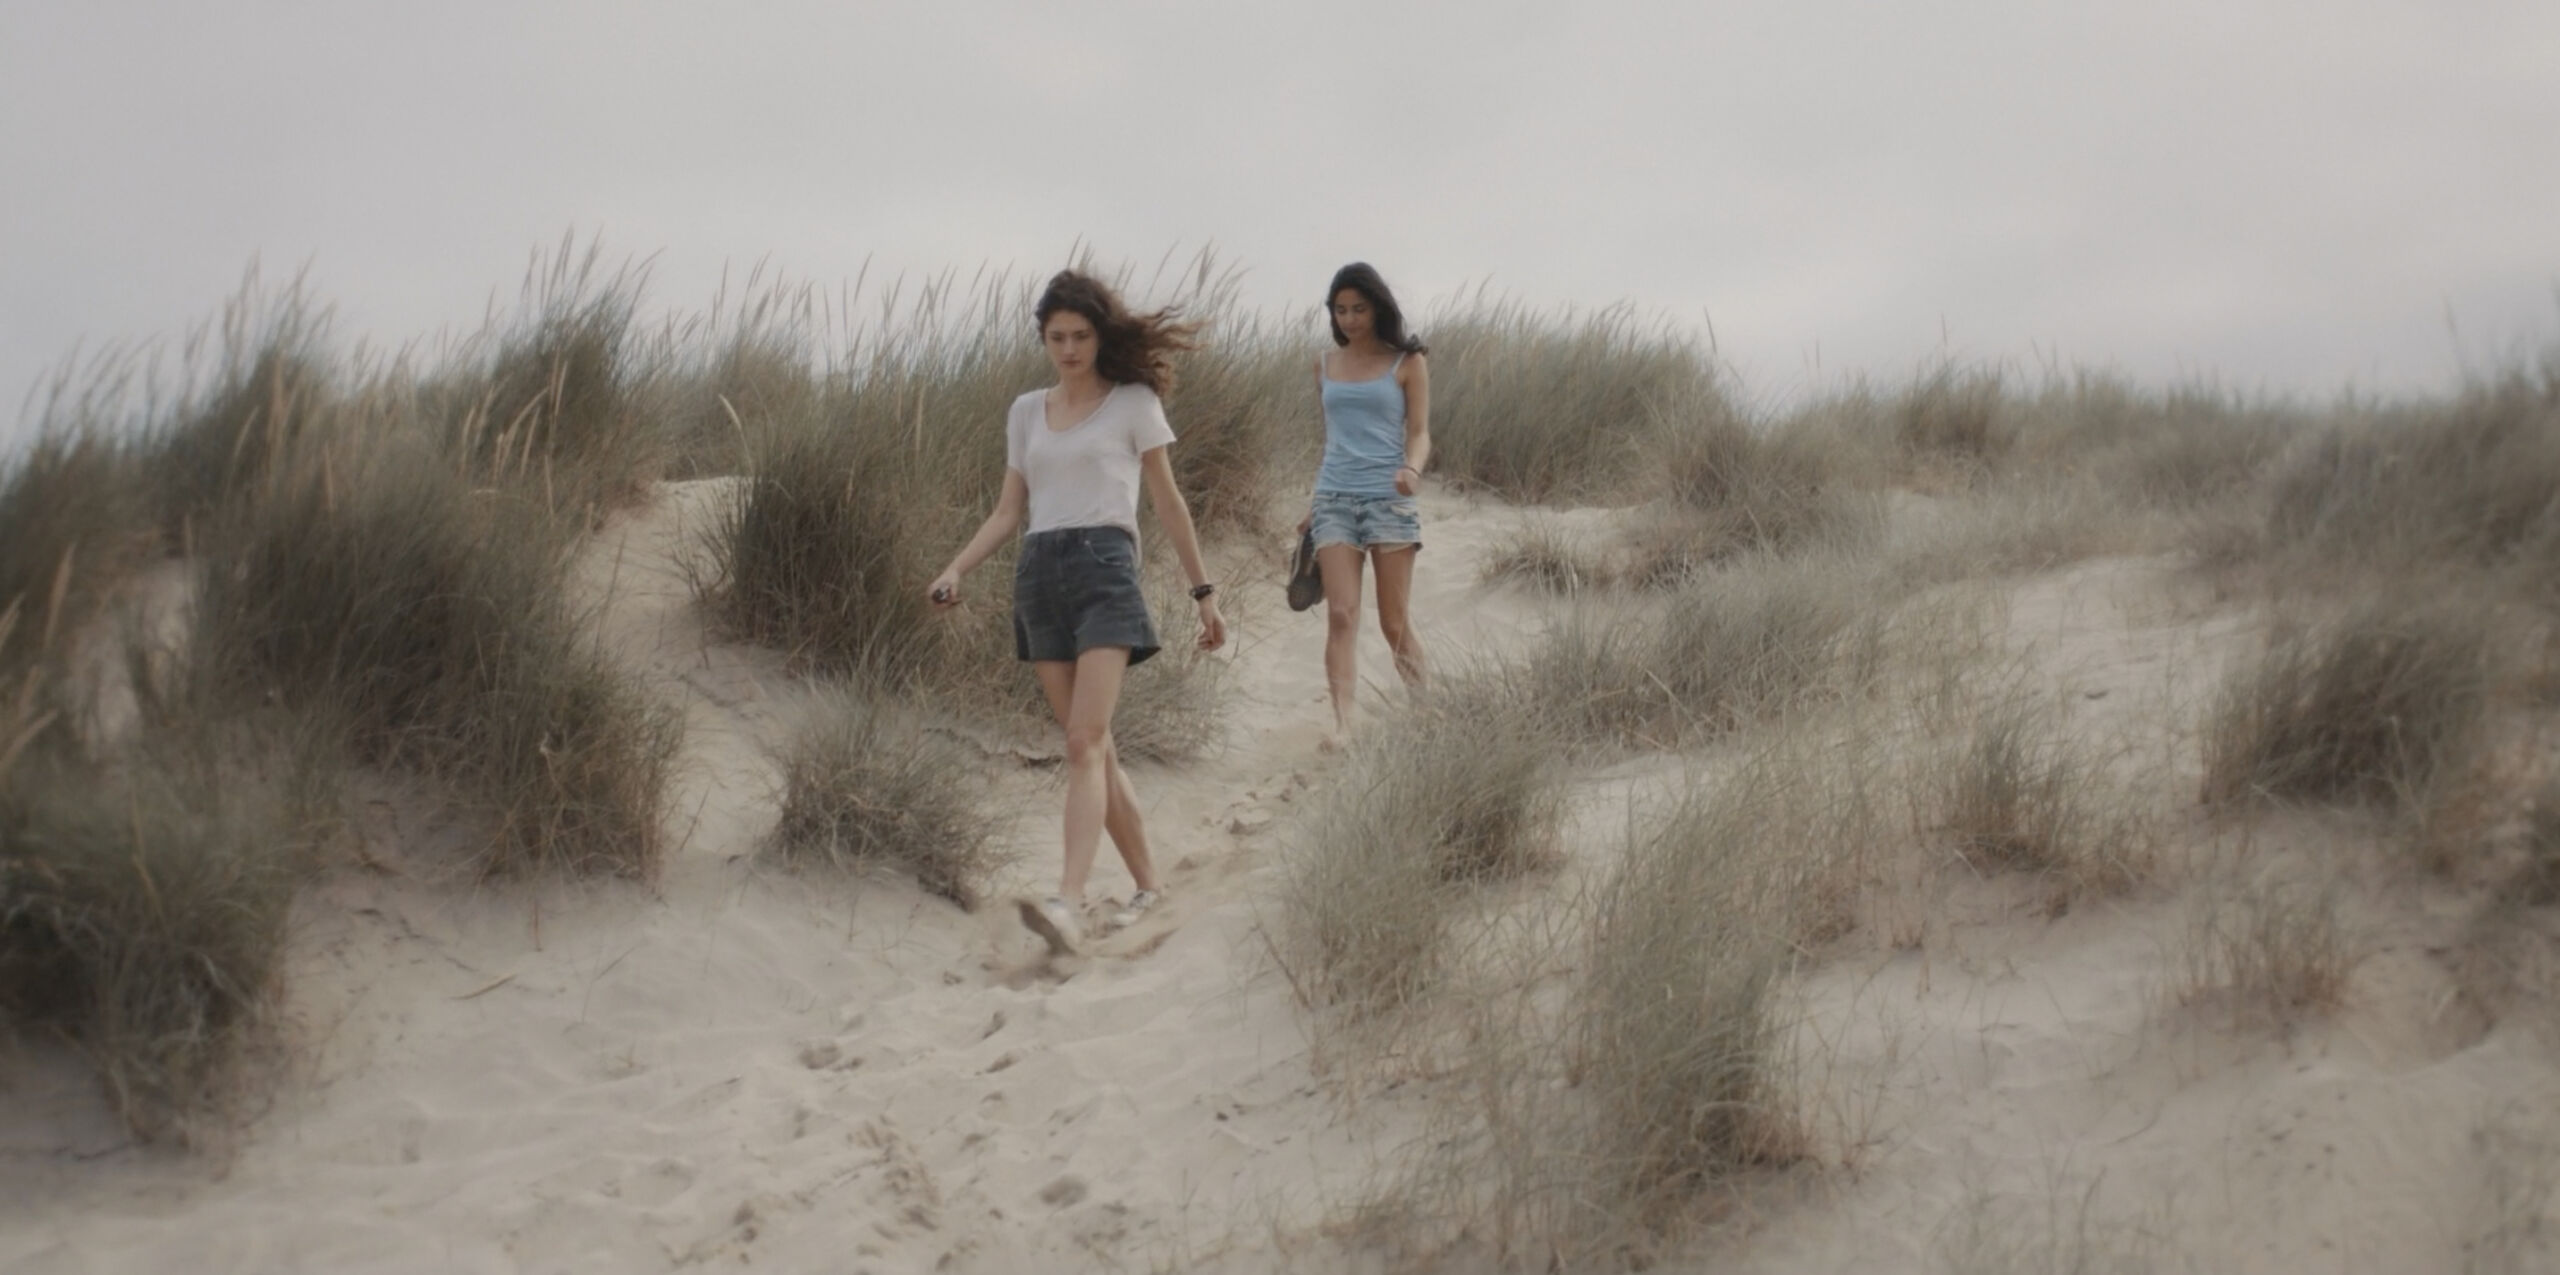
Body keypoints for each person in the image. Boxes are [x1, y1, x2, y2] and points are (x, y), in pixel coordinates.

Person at [930, 269, 1227, 957]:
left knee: (1082, 742)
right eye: (1056, 337)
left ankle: (1066, 900)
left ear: (1100, 335)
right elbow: (1010, 508)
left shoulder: (1133, 401)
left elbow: (1168, 501)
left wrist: (1203, 591)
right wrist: (956, 567)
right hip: (1040, 577)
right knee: (1097, 746)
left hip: (1104, 571)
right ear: (1043, 339)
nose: (1068, 349)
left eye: (1081, 336)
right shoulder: (1026, 410)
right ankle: (1149, 884)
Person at [1299, 262, 1432, 745]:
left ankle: (1426, 712)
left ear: (1377, 307)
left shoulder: (1408, 363)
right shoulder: (1324, 365)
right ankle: (1344, 725)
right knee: (1341, 614)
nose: (1350, 319)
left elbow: (1418, 432)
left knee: (1394, 622)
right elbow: (1330, 438)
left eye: (1358, 309)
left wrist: (1412, 470)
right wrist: (1313, 503)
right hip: (1334, 498)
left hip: (1389, 501)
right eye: (1341, 310)